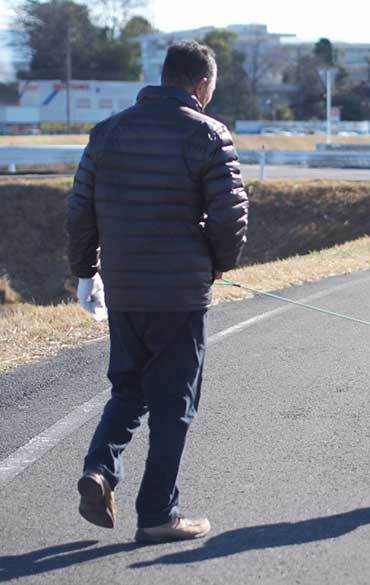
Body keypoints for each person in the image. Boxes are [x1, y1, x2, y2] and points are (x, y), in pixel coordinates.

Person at [66, 41, 249, 543]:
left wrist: (88, 271)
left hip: (124, 287)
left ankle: (100, 471)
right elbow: (231, 216)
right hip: (179, 294)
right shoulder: (209, 134)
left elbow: (80, 212)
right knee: (176, 404)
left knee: (128, 387)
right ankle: (157, 515)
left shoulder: (108, 132)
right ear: (200, 84)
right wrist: (217, 264)